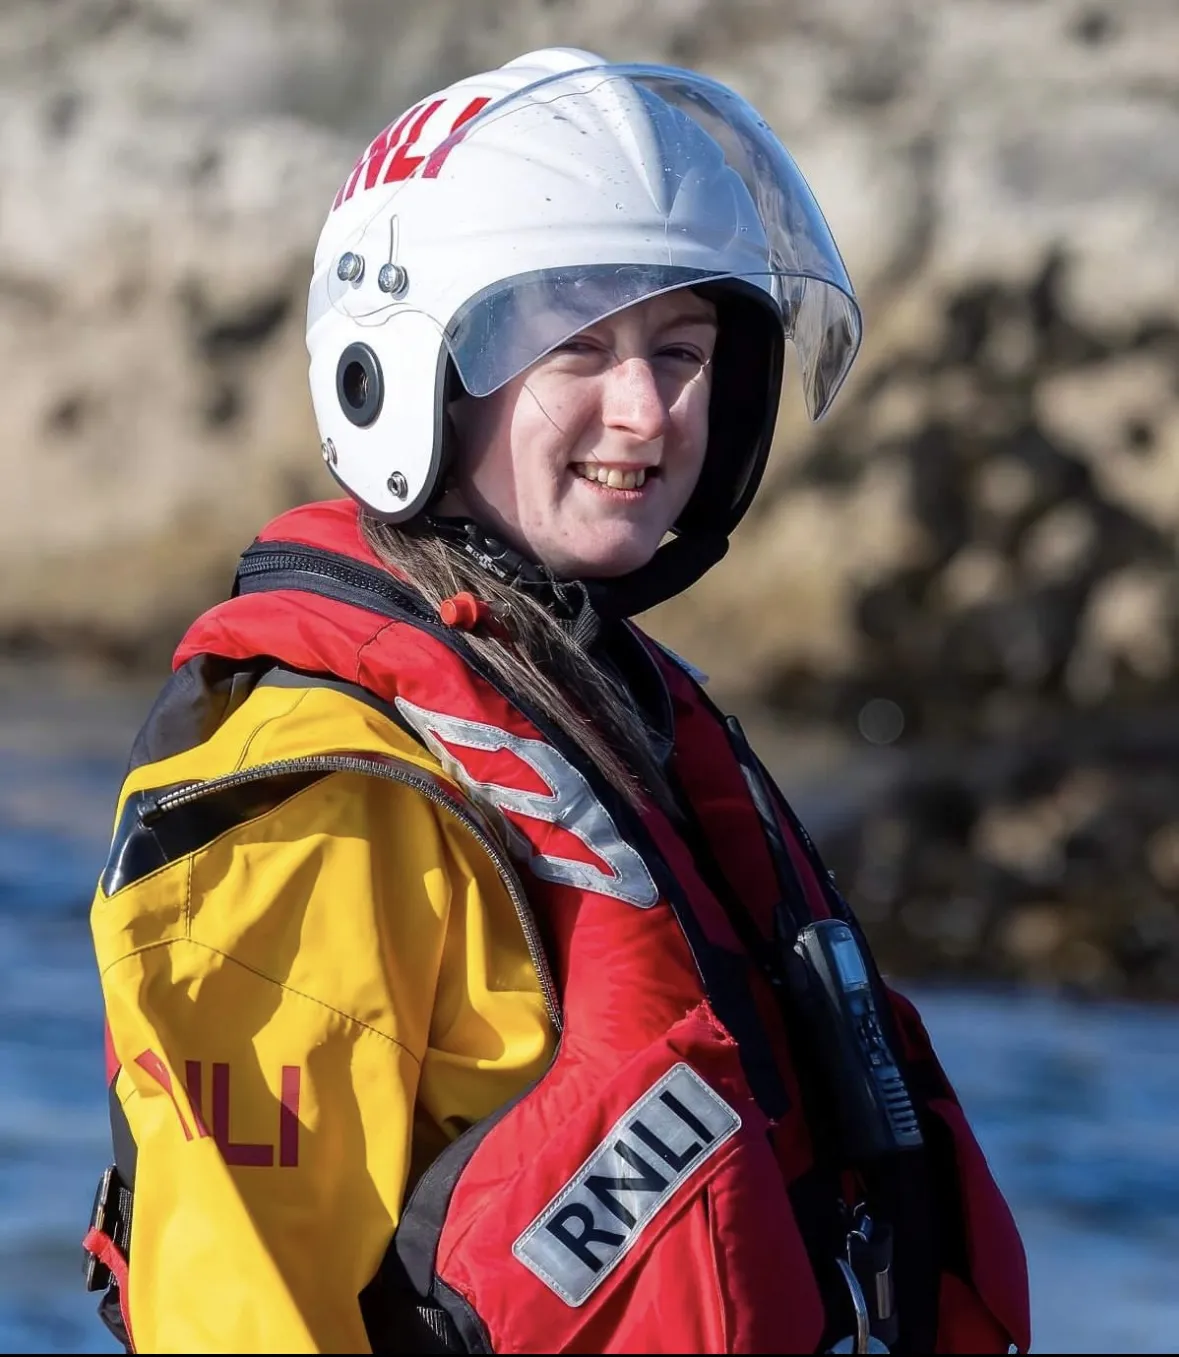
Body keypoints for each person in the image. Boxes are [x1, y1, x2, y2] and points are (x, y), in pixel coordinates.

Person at [82, 48, 1030, 1355]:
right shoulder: (322, 791)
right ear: (415, 374)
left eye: (682, 349)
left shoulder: (610, 711)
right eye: (579, 347)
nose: (643, 412)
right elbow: (230, 1303)